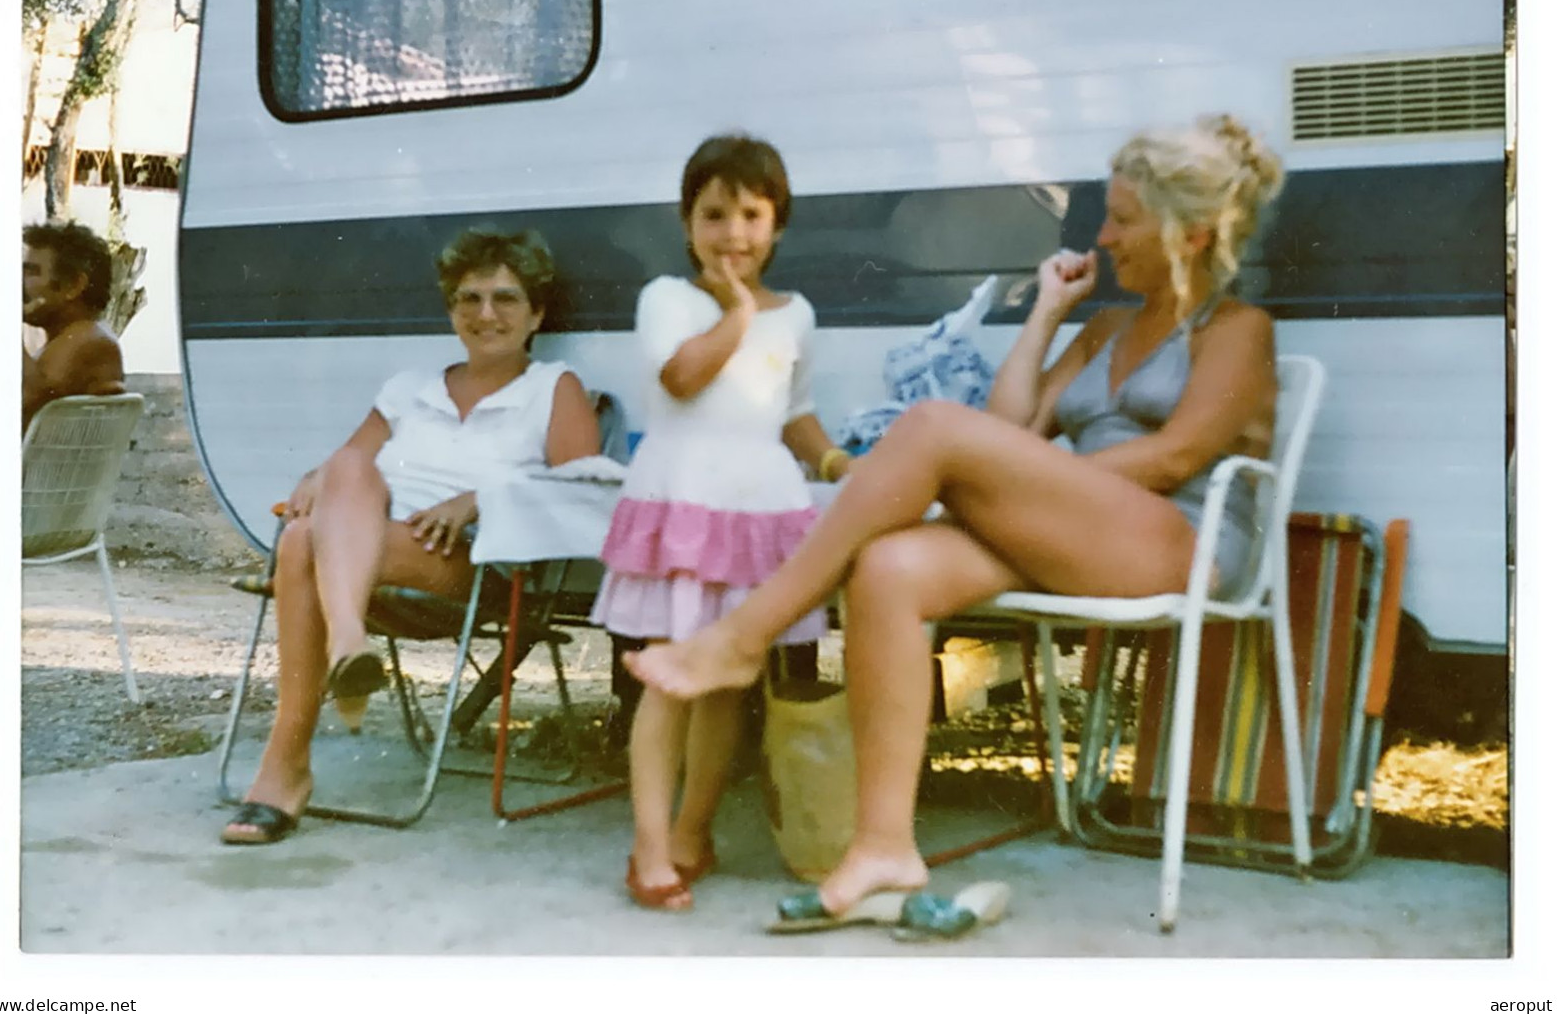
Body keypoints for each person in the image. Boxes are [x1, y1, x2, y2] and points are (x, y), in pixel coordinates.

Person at [625, 114, 1285, 922]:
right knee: (890, 565)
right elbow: (1011, 432)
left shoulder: (1239, 331)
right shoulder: (1106, 324)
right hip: (1077, 531)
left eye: (1122, 218)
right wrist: (1046, 311)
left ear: (1191, 234)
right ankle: (883, 845)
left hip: (1179, 541)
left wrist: (1027, 482)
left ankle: (744, 633)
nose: (1103, 236)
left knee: (933, 427)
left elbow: (1174, 458)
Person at [221, 228, 602, 844]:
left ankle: (285, 768)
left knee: (302, 543)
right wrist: (309, 482)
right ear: (451, 310)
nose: (485, 314)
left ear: (536, 313)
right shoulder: (406, 390)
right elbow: (334, 476)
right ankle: (348, 640)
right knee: (334, 483)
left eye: (505, 298)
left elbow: (580, 487)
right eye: (468, 299)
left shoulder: (553, 387)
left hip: (470, 566)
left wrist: (480, 498)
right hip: (369, 557)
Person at [592, 133, 852, 911]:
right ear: (686, 223)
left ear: (777, 224)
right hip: (684, 499)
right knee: (670, 678)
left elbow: (793, 410)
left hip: (760, 508)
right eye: (713, 214)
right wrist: (738, 309)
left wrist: (838, 464)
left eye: (750, 213)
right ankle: (647, 844)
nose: (732, 232)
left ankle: (692, 831)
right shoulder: (668, 299)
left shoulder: (798, 314)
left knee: (723, 685)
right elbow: (682, 373)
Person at [22, 221, 126, 431]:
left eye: (31, 272)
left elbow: (23, 402)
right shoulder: (81, 336)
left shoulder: (87, 338)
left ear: (74, 286)